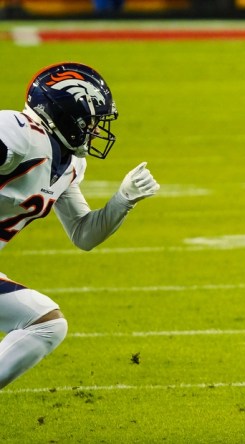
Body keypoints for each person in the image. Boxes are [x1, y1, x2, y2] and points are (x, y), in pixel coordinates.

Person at [0, 62, 159, 389]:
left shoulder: (69, 164)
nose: (96, 130)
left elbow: (84, 234)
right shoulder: (19, 132)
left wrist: (123, 199)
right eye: (89, 121)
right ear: (64, 116)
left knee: (46, 324)